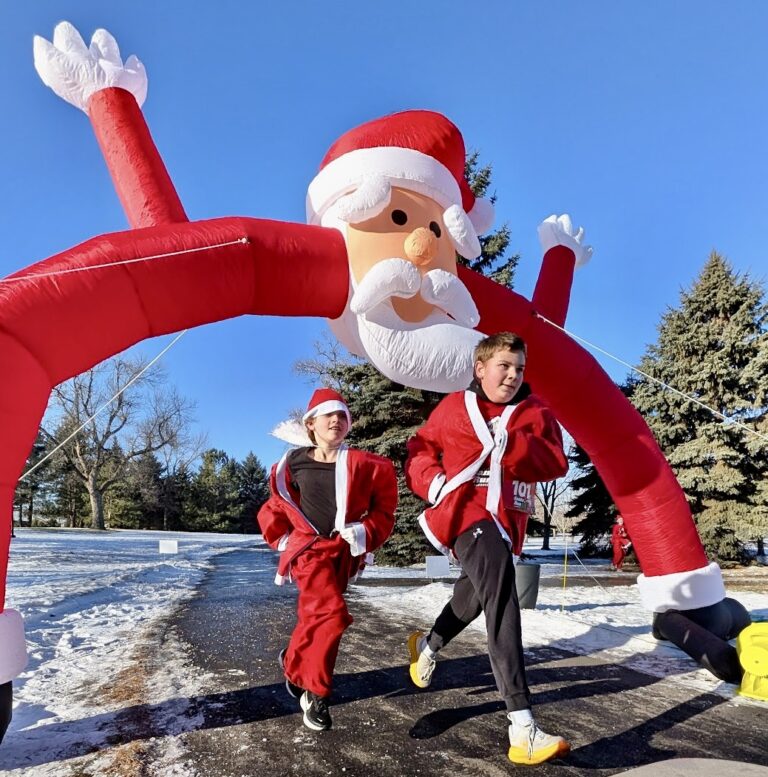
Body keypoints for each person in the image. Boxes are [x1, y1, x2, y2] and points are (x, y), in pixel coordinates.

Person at [404, 332, 570, 765]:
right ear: (481, 369)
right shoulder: (454, 407)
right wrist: (433, 482)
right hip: (463, 514)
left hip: (507, 522)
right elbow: (420, 448)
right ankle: (522, 727)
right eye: (504, 366)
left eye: (520, 368)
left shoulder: (535, 412)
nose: (513, 376)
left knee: (473, 598)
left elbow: (557, 462)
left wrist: (514, 445)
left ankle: (427, 648)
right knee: (502, 598)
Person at [258, 388, 397, 732]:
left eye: (343, 415)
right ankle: (317, 693)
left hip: (342, 553)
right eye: (329, 415)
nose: (337, 420)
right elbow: (275, 506)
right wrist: (284, 539)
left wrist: (364, 531)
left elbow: (385, 510)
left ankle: (293, 662)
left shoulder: (365, 464)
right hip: (308, 552)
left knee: (316, 618)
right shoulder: (291, 464)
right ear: (311, 423)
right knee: (332, 615)